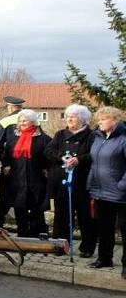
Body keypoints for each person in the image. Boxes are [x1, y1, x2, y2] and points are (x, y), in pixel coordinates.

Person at [45, 104, 96, 257]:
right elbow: (48, 151)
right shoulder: (60, 134)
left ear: (83, 120)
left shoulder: (91, 136)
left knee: (84, 216)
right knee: (61, 216)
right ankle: (60, 246)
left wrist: (78, 160)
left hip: (82, 183)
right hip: (62, 182)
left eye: (73, 117)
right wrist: (61, 157)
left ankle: (87, 248)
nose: (69, 119)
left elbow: (94, 154)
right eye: (68, 116)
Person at [0, 109, 51, 237]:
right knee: (19, 208)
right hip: (16, 180)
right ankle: (22, 235)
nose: (22, 123)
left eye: (25, 120)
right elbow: (6, 155)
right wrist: (6, 165)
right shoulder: (13, 138)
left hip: (36, 180)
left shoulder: (44, 139)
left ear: (33, 122)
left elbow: (49, 157)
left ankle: (36, 235)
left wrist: (47, 169)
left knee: (36, 210)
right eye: (20, 121)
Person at [86, 106, 126, 277]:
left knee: (125, 229)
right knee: (104, 227)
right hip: (100, 191)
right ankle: (104, 258)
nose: (99, 122)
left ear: (114, 120)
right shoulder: (98, 138)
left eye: (103, 119)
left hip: (121, 193)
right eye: (99, 119)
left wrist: (122, 186)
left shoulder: (123, 139)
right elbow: (95, 163)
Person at [0, 95, 25, 160]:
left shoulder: (5, 122)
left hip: (12, 160)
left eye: (7, 106)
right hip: (32, 160)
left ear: (10, 107)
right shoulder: (34, 121)